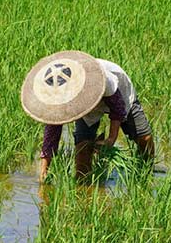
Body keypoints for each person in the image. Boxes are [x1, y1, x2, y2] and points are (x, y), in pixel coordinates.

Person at [20, 50, 155, 182]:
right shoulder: (61, 98)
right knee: (83, 149)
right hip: (84, 104)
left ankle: (146, 173)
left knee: (145, 138)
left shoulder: (103, 78)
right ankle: (84, 187)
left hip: (120, 95)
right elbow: (52, 131)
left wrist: (111, 139)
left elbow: (118, 109)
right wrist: (44, 170)